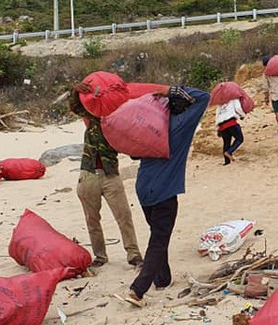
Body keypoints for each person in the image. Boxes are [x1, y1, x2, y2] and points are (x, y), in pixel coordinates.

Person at [128, 85, 209, 306]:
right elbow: (204, 97)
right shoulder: (182, 126)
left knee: (156, 233)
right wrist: (170, 89)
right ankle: (138, 288)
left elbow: (134, 154)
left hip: (143, 187)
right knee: (159, 240)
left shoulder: (150, 128)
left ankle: (162, 279)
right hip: (164, 189)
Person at [69, 83, 143, 268]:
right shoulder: (92, 119)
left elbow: (132, 146)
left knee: (124, 216)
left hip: (110, 175)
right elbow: (75, 107)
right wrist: (76, 90)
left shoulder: (119, 124)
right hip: (89, 174)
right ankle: (100, 256)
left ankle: (133, 254)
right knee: (92, 220)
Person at [216, 96, 246, 165]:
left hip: (222, 125)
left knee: (226, 142)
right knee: (239, 139)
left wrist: (217, 128)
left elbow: (217, 115)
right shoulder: (234, 98)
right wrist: (242, 115)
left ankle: (227, 162)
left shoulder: (219, 102)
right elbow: (238, 108)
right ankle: (229, 152)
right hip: (231, 122)